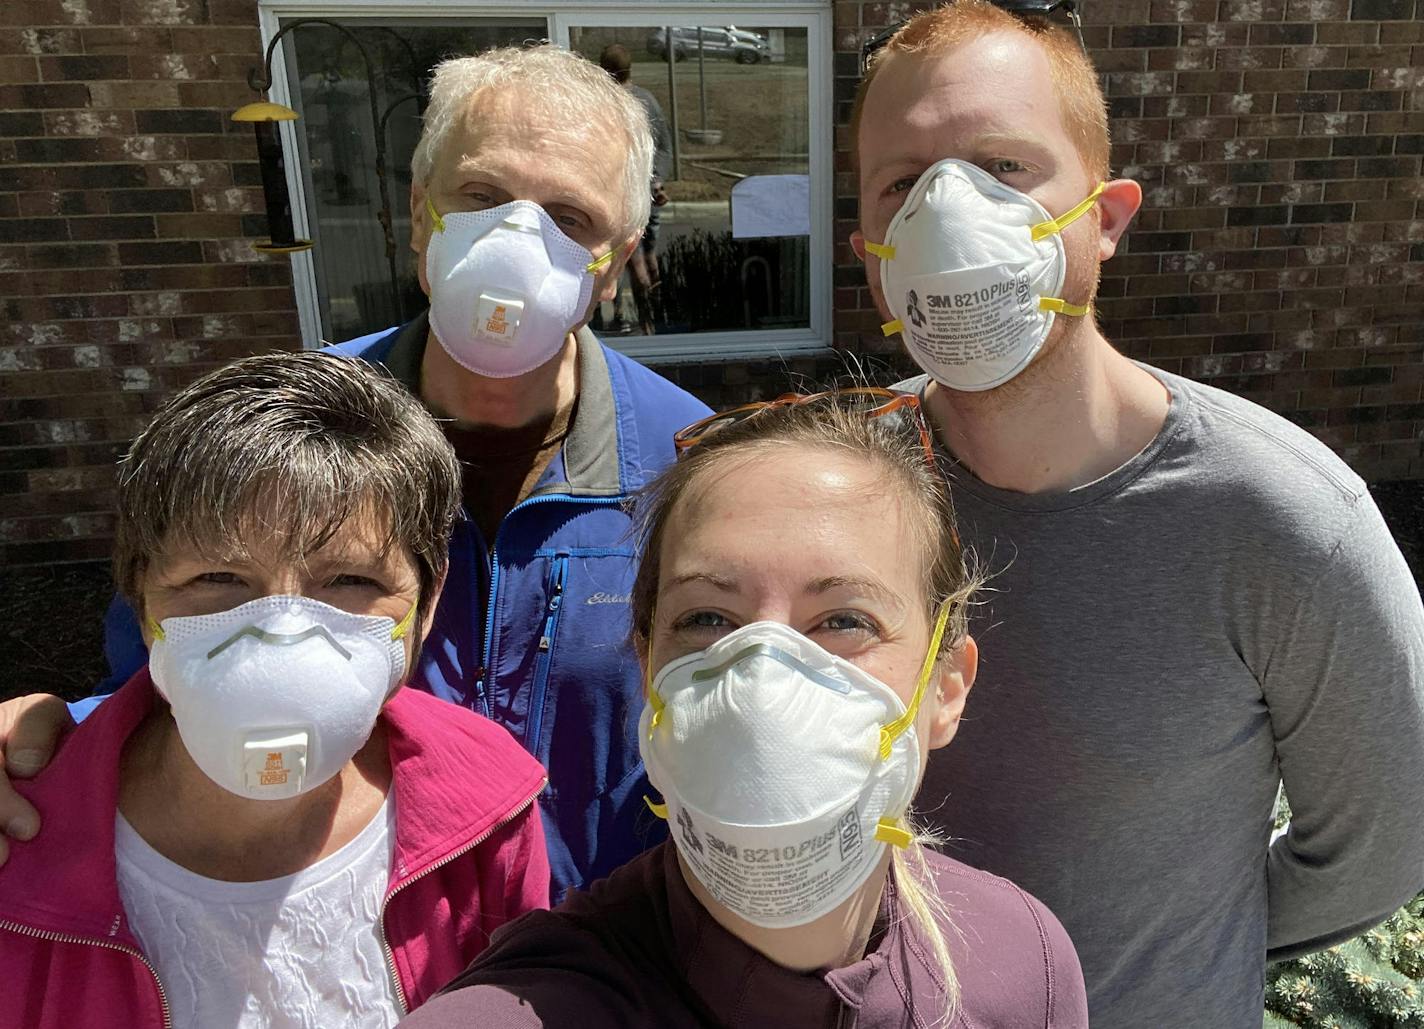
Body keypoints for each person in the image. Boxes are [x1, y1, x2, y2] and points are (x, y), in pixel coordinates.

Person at [0, 45, 711, 898]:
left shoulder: (691, 465)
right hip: (362, 932)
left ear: (618, 255)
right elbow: (158, 679)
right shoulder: (276, 439)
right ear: (419, 213)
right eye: (481, 197)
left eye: (570, 218)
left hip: (600, 950)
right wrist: (53, 733)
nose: (518, 240)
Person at [851, 4, 1424, 1027]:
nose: (945, 212)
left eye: (1002, 167)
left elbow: (1380, 846)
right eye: (902, 183)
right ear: (865, 248)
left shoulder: (1281, 521)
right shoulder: (836, 492)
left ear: (1106, 217)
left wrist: (1186, 948)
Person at [397, 392, 1089, 1029]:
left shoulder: (1022, 965)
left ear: (946, 686)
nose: (763, 677)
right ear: (646, 666)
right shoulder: (538, 1003)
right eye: (707, 616)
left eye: (844, 618)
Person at [0, 352, 550, 1028]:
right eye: (218, 579)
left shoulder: (488, 817)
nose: (279, 637)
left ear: (427, 603)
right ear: (141, 598)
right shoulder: (18, 844)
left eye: (349, 581)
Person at [599, 42, 673, 335]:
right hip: (649, 192)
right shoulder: (647, 100)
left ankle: (645, 325)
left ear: (604, 71)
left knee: (631, 261)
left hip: (625, 196)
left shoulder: (608, 105)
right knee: (647, 256)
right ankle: (657, 318)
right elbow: (664, 147)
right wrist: (657, 181)